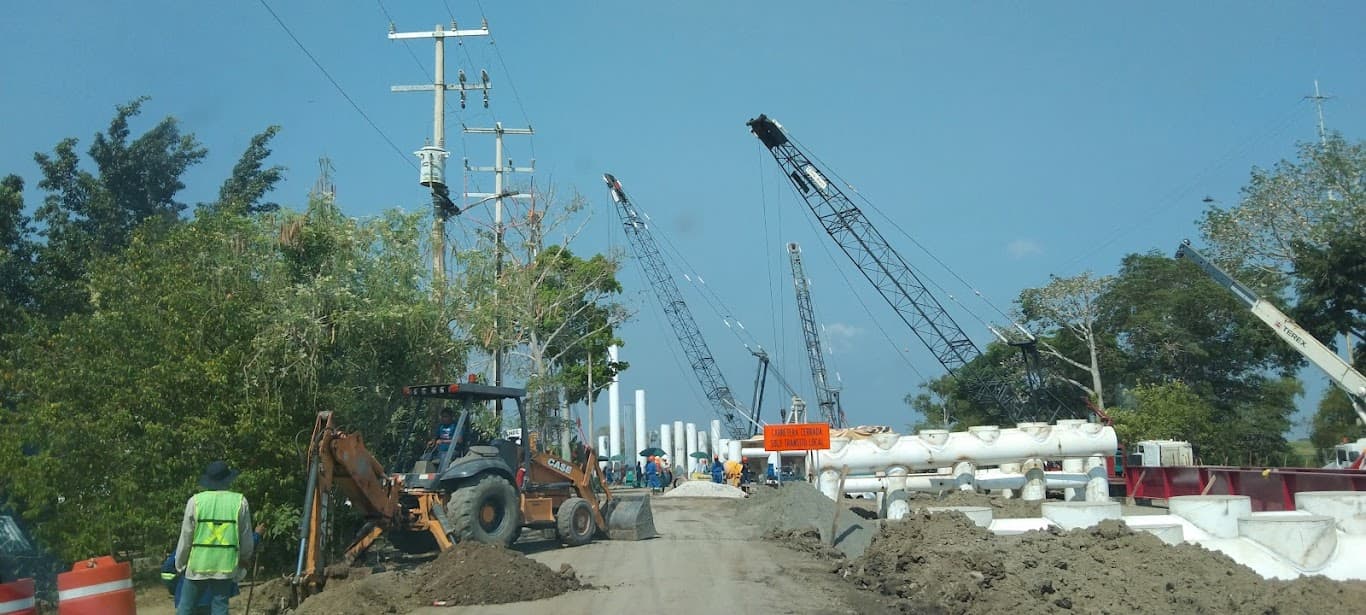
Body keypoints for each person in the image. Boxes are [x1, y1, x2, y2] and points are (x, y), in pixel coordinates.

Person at [174, 461, 254, 615]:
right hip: (225, 564)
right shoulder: (239, 501)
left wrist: (180, 563)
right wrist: (244, 558)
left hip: (198, 563)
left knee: (186, 606)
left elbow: (186, 536)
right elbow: (245, 535)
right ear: (228, 479)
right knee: (220, 606)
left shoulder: (195, 501)